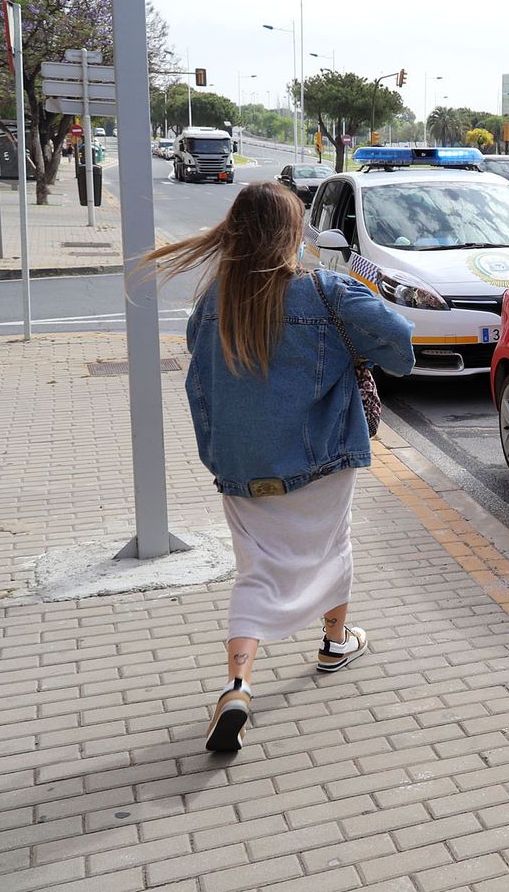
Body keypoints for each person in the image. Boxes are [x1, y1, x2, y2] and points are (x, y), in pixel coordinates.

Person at [143, 181, 414, 753]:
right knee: (331, 545)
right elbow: (402, 347)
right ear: (294, 233)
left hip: (242, 465)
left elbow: (201, 371)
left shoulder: (215, 299)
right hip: (322, 458)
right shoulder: (328, 292)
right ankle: (335, 643)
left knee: (255, 573)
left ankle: (237, 684)